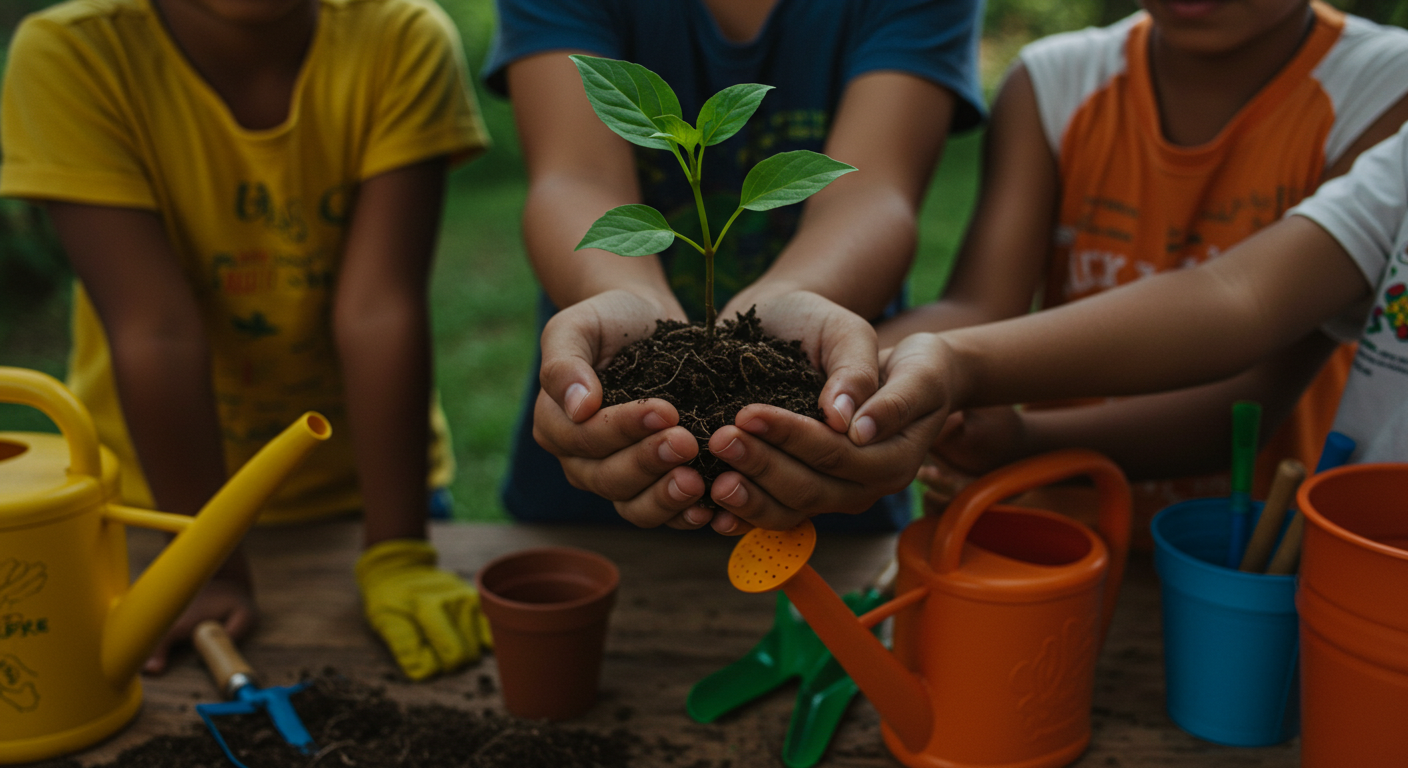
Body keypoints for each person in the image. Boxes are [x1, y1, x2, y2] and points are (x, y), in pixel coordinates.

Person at [0, 0, 492, 681]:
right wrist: (202, 569)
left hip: (369, 495)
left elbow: (379, 310)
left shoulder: (402, 38)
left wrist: (399, 551)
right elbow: (156, 330)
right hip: (152, 512)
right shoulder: (72, 55)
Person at [875, 0, 1408, 540]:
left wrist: (1021, 439)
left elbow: (1247, 392)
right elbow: (976, 309)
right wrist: (842, 364)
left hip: (1254, 555)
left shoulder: (1385, 87)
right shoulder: (1055, 80)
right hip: (1053, 536)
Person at [481, 0, 984, 536]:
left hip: (824, 481)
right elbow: (574, 176)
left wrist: (792, 296)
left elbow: (870, 192)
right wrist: (619, 290)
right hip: (591, 491)